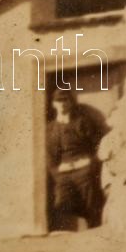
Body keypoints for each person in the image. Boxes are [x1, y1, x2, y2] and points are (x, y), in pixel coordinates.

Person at [46, 88, 107, 230]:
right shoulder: (50, 129)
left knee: (91, 206)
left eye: (65, 100)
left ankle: (94, 231)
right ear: (54, 104)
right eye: (58, 101)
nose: (62, 104)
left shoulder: (82, 122)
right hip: (64, 174)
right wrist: (58, 174)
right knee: (61, 205)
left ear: (70, 103)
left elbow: (98, 144)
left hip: (84, 171)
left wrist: (90, 163)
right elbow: (50, 157)